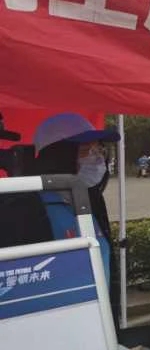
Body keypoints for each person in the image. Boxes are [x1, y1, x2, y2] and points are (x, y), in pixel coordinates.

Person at [31, 112, 121, 321]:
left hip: (100, 326)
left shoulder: (92, 201)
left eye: (99, 149)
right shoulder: (29, 208)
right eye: (86, 150)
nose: (97, 158)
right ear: (58, 155)